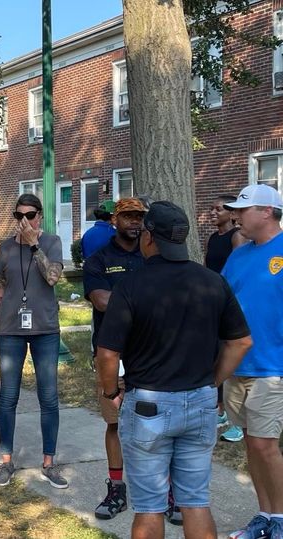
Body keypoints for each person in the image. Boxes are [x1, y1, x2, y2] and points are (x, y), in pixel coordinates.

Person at [96, 201, 252, 539]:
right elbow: (241, 343)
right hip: (200, 402)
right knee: (195, 502)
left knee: (150, 508)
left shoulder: (131, 286)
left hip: (148, 406)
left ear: (149, 237)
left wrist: (110, 393)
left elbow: (107, 354)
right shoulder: (213, 282)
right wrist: (213, 381)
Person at [0, 193, 68, 489]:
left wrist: (33, 244)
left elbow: (53, 277)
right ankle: (6, 462)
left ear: (39, 216)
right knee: (8, 397)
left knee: (49, 397)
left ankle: (49, 462)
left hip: (44, 329)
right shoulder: (4, 248)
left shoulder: (52, 242)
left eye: (30, 215)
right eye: (19, 216)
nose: (24, 221)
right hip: (10, 330)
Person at [221, 184, 283, 539]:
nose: (236, 215)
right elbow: (223, 301)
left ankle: (281, 519)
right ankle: (264, 514)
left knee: (264, 444)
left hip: (273, 366)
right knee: (250, 443)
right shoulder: (239, 255)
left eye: (243, 210)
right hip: (237, 364)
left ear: (266, 212)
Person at [83, 197, 146, 519]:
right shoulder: (98, 259)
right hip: (113, 355)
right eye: (128, 216)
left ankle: (169, 491)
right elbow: (101, 300)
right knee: (115, 423)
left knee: (160, 424)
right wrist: (145, 303)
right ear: (115, 220)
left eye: (139, 217)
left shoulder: (153, 255)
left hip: (151, 354)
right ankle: (117, 490)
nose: (134, 222)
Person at [204, 194, 247, 444]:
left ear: (232, 214)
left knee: (228, 355)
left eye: (218, 209)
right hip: (211, 303)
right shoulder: (213, 237)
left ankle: (237, 424)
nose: (213, 212)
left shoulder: (236, 237)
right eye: (211, 208)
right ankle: (220, 411)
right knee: (215, 356)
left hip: (227, 304)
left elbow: (239, 272)